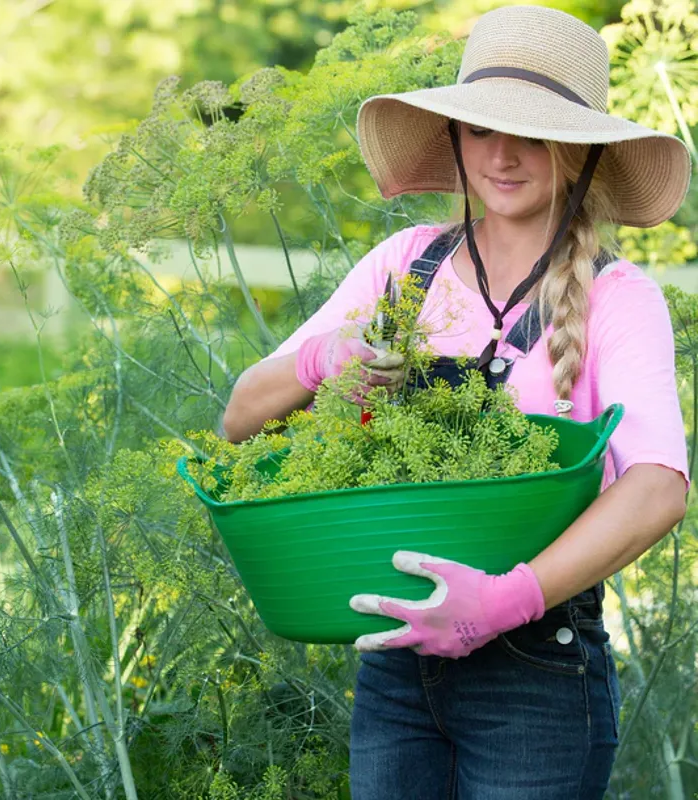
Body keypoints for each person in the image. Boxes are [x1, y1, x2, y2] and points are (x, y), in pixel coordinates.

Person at [222, 5, 691, 798]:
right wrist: (323, 358)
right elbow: (240, 417)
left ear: (578, 150)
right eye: (480, 130)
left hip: (536, 672)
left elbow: (658, 489)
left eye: (531, 135)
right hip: (395, 662)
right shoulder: (406, 266)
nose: (501, 156)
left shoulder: (619, 298)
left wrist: (505, 600)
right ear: (454, 137)